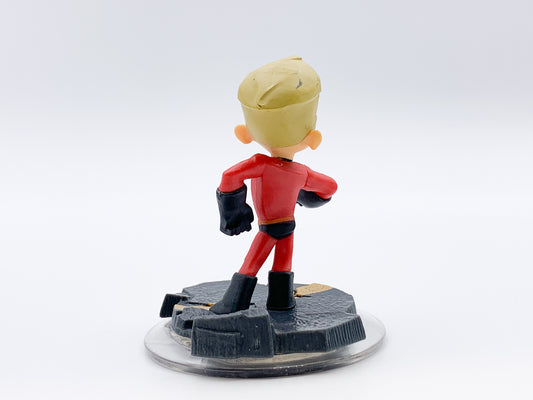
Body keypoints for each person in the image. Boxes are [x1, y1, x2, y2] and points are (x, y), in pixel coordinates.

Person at [210, 56, 337, 314]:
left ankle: (237, 301)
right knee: (281, 263)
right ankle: (279, 300)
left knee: (252, 264)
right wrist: (305, 196)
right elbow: (330, 187)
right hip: (286, 225)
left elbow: (229, 177)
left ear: (245, 133)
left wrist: (233, 210)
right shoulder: (301, 173)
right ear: (312, 138)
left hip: (269, 226)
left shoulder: (260, 165)